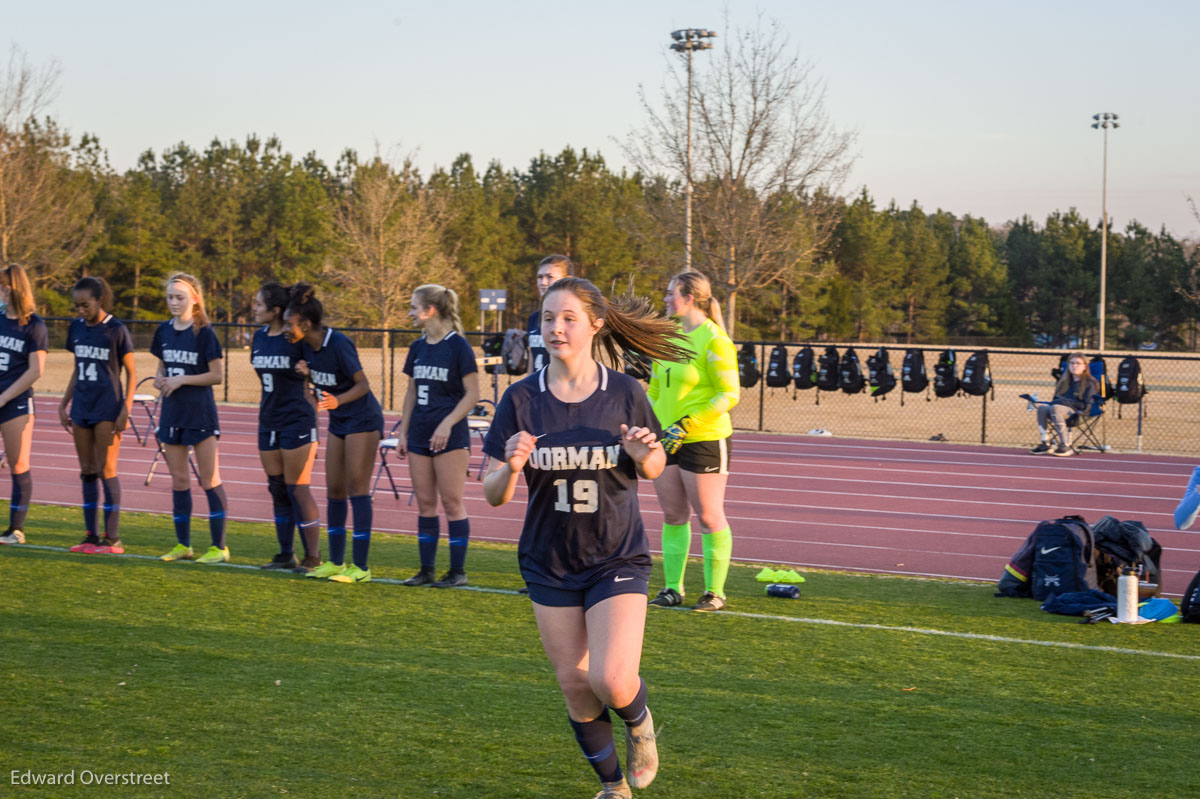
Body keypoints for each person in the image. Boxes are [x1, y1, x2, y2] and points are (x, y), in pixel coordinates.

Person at [482, 277, 690, 799]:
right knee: (575, 685)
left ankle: (640, 725)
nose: (556, 328)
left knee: (612, 679)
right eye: (549, 318)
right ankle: (613, 787)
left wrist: (647, 455)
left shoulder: (623, 392)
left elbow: (655, 464)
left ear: (596, 324)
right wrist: (510, 467)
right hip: (548, 559)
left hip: (615, 555)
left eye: (569, 317)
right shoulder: (521, 398)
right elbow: (493, 494)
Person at [646, 270, 740, 612]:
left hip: (704, 438)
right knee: (673, 514)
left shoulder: (715, 339)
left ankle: (714, 592)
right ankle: (673, 589)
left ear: (689, 298)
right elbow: (656, 388)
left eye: (671, 293)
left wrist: (688, 423)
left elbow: (729, 394)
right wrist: (653, 426)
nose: (666, 298)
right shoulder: (667, 336)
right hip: (666, 439)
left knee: (710, 517)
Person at [286, 283, 383, 584]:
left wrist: (337, 400)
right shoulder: (304, 346)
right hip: (340, 421)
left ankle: (361, 568)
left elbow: (363, 385)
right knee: (334, 490)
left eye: (290, 324)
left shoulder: (338, 343)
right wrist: (307, 376)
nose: (287, 330)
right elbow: (317, 382)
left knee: (357, 487)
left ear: (305, 324)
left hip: (363, 419)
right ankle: (337, 562)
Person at [398, 285, 481, 588]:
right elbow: (410, 391)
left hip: (450, 437)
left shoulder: (458, 346)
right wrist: (404, 432)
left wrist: (447, 424)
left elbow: (473, 394)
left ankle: (457, 572)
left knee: (451, 502)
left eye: (413, 306)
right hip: (419, 434)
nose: (410, 313)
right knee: (424, 504)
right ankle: (426, 570)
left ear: (429, 309)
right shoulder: (417, 347)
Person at [152, 273, 229, 564]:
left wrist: (182, 380)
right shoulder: (163, 331)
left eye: (179, 297)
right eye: (170, 297)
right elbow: (162, 368)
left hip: (200, 413)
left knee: (209, 479)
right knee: (179, 480)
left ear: (195, 299)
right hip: (172, 412)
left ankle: (219, 548)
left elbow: (216, 375)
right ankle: (183, 544)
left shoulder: (204, 333)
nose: (173, 302)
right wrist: (161, 380)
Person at [58, 276, 135, 554]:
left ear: (99, 300)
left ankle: (112, 539)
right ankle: (90, 536)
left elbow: (132, 372)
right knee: (87, 472)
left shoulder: (116, 329)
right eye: (76, 306)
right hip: (82, 406)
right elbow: (78, 368)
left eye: (85, 305)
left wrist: (126, 408)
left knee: (106, 470)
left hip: (107, 407)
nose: (80, 310)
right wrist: (63, 402)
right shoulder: (77, 328)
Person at [251, 283, 322, 573]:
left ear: (276, 310)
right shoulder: (258, 337)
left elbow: (320, 370)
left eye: (258, 304)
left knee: (298, 489)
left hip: (297, 419)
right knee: (277, 488)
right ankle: (285, 553)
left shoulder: (296, 338)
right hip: (269, 418)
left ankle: (312, 557)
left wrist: (313, 376)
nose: (254, 308)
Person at [0, 264, 48, 546]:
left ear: (8, 288)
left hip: (15, 401)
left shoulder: (34, 324)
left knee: (18, 464)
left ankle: (15, 529)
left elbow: (36, 369)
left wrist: (5, 397)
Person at [1030, 353, 1099, 457]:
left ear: (1085, 366)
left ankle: (1065, 445)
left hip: (1076, 413)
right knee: (1042, 408)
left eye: (1078, 363)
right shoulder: (1064, 381)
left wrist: (1079, 411)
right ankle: (1045, 443)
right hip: (1058, 411)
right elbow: (1056, 398)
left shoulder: (1090, 383)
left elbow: (1088, 404)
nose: (1074, 366)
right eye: (1072, 363)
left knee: (1056, 408)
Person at [527, 255, 573, 373]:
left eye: (550, 277)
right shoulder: (534, 318)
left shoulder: (574, 319)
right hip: (537, 386)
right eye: (540, 277)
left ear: (567, 279)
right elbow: (533, 356)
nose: (543, 282)